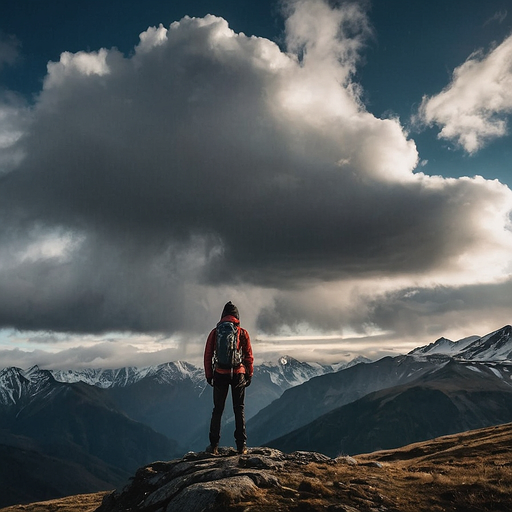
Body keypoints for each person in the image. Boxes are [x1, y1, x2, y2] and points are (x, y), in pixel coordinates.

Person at [204, 301, 254, 455]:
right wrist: (249, 374)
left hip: (220, 373)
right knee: (239, 409)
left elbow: (208, 355)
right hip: (238, 373)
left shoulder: (214, 332)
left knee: (217, 410)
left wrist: (209, 375)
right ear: (237, 317)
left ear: (223, 316)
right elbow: (248, 356)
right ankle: (241, 446)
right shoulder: (242, 332)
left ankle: (213, 446)